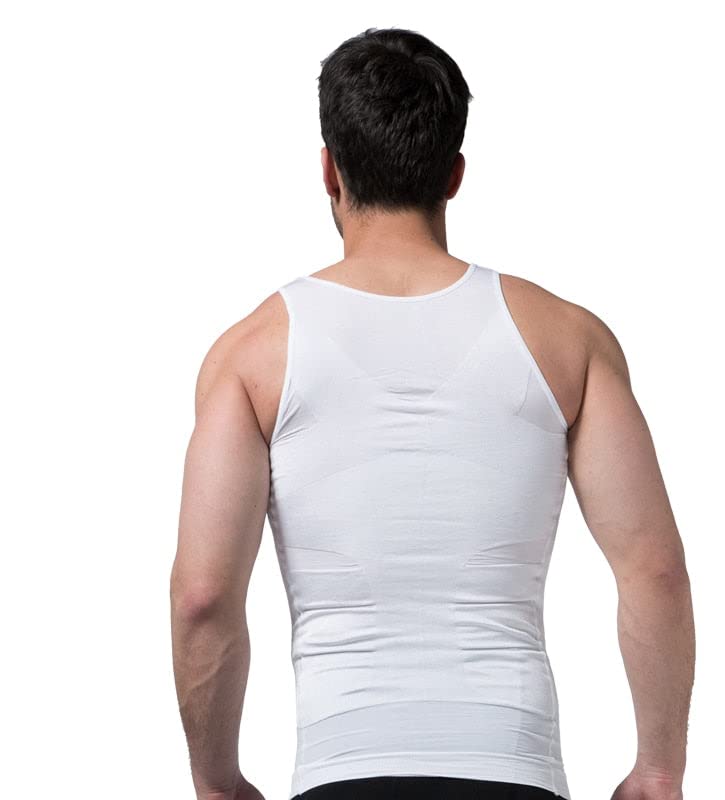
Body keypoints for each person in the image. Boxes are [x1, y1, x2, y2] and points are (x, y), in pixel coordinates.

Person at [169, 27, 695, 800]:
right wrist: (658, 770)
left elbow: (203, 597)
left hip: (343, 773)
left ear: (329, 169)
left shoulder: (250, 355)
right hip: (513, 772)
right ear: (453, 173)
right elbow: (654, 569)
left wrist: (216, 780)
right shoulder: (567, 338)